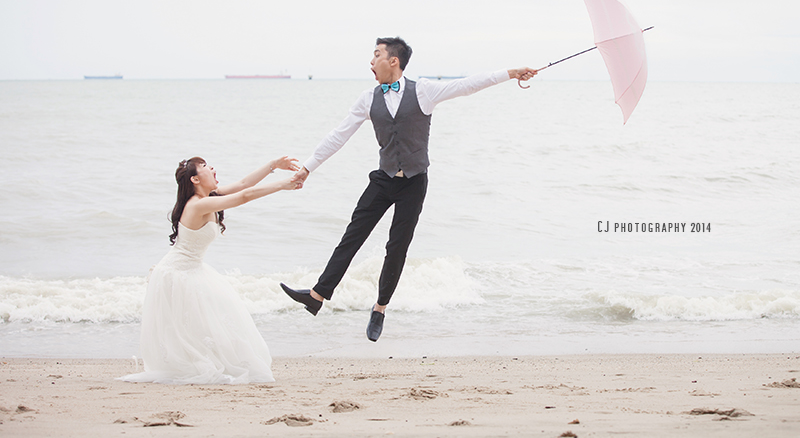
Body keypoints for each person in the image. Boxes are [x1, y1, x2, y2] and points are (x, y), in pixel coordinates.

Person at [281, 37, 536, 342]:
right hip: (383, 178)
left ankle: (380, 308)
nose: (371, 61)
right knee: (352, 236)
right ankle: (318, 295)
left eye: (376, 55)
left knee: (397, 247)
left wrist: (512, 72)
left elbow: (468, 84)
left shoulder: (424, 91)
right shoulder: (368, 98)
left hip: (414, 182)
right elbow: (339, 135)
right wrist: (308, 167)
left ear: (394, 61)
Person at [119, 156, 301, 384]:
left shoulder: (209, 197)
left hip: (192, 270)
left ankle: (207, 365)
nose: (212, 168)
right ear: (195, 179)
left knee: (211, 324)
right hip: (177, 274)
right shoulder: (197, 204)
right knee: (201, 327)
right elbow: (244, 197)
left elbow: (244, 185)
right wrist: (284, 185)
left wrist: (274, 165)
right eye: (205, 167)